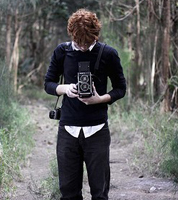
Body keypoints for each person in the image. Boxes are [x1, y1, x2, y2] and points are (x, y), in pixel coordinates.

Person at [44, 8, 126, 200]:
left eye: (87, 42)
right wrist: (66, 89)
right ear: (72, 34)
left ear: (95, 35)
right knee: (69, 192)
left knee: (100, 192)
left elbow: (120, 88)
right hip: (68, 130)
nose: (82, 46)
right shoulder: (62, 51)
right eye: (78, 42)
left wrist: (99, 99)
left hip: (97, 130)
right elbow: (48, 84)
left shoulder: (108, 54)